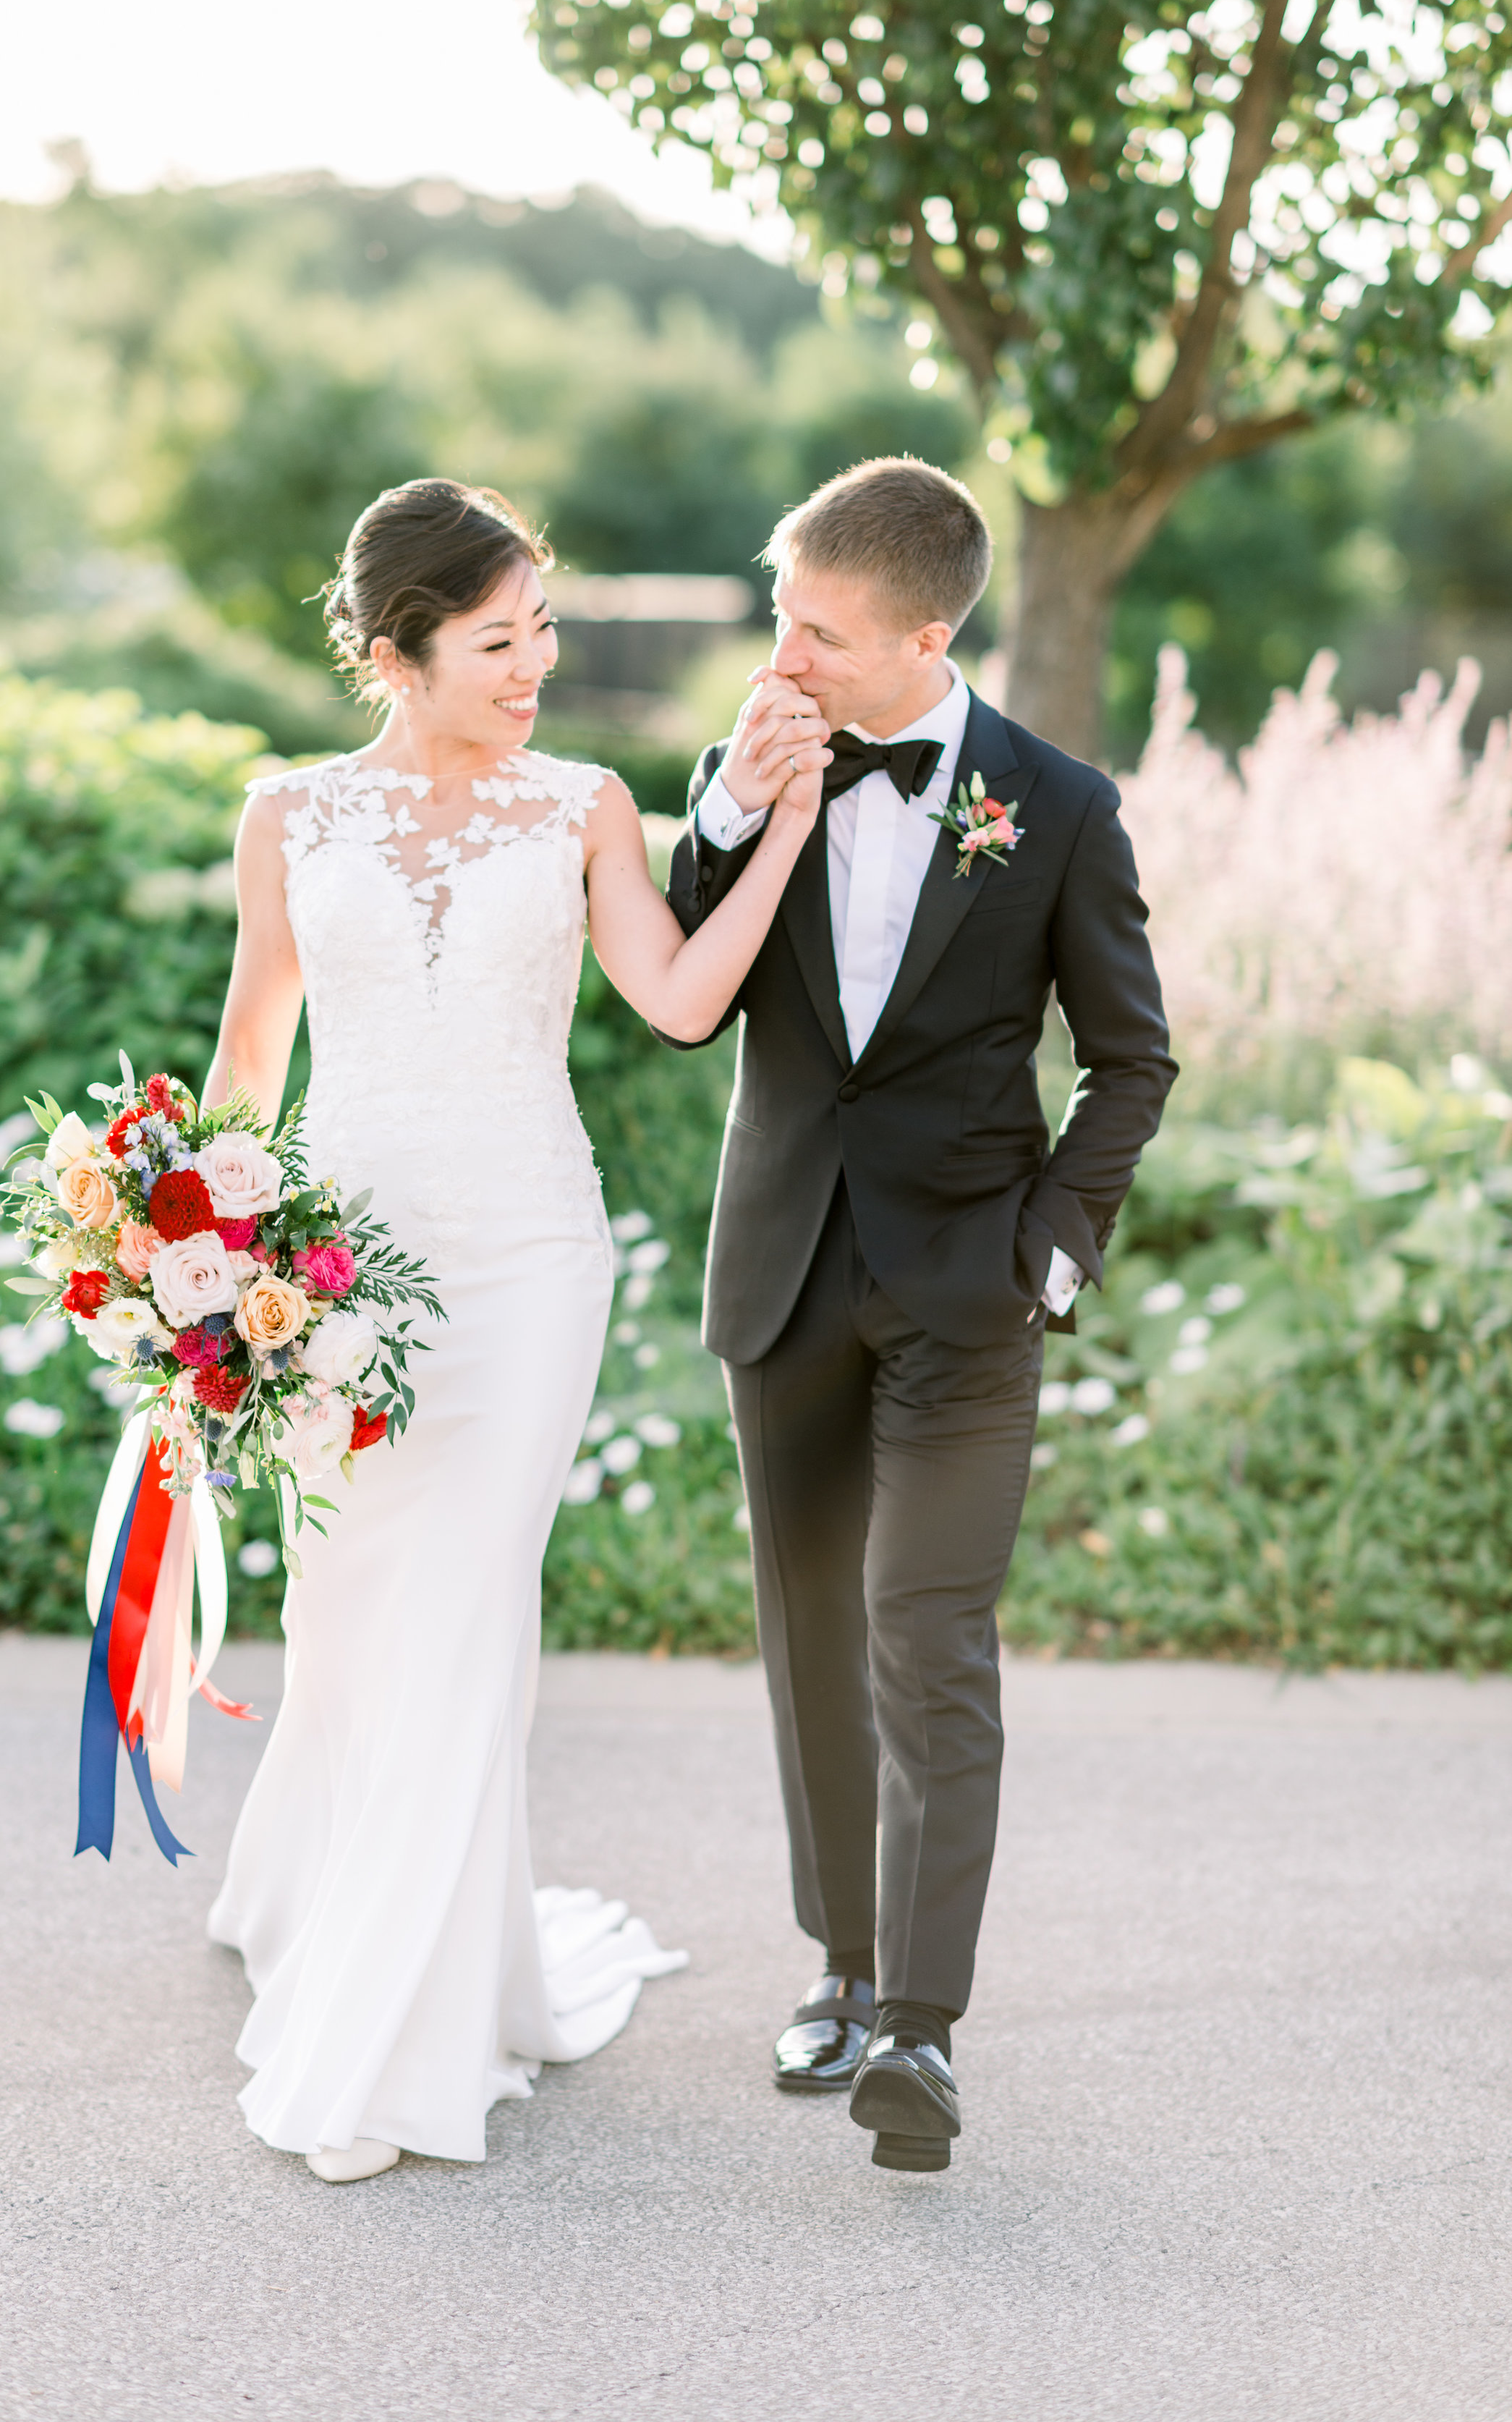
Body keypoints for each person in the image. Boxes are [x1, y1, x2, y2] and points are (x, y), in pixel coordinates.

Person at [200, 477, 830, 2183]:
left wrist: (780, 829)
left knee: (466, 1607)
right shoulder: (289, 816)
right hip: (324, 1279)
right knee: (343, 1605)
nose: (537, 662)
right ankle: (321, 1897)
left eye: (541, 625)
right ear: (397, 654)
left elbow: (683, 1001)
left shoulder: (581, 807)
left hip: (529, 1259)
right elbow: (252, 1054)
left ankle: (402, 2027)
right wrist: (192, 1258)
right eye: (500, 639)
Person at [664, 456, 1176, 2173]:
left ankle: (922, 2034)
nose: (780, 655)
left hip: (969, 1289)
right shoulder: (750, 758)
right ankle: (841, 1963)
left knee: (926, 1634)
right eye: (778, 615)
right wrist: (733, 813)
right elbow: (679, 983)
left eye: (814, 631)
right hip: (786, 1265)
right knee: (816, 1629)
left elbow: (1130, 1058)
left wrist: (1056, 1242)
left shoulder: (1060, 807)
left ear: (926, 633)